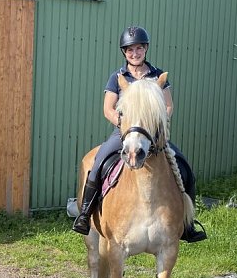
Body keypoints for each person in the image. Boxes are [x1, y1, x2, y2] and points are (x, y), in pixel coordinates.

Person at [72, 25, 207, 242]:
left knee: (185, 168)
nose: (134, 53)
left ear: (145, 49)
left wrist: (155, 122)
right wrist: (125, 124)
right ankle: (85, 215)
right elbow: (108, 109)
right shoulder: (117, 77)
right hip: (125, 133)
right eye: (130, 50)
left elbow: (168, 106)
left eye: (139, 49)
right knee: (98, 164)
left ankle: (187, 224)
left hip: (153, 134)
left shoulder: (157, 76)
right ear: (124, 52)